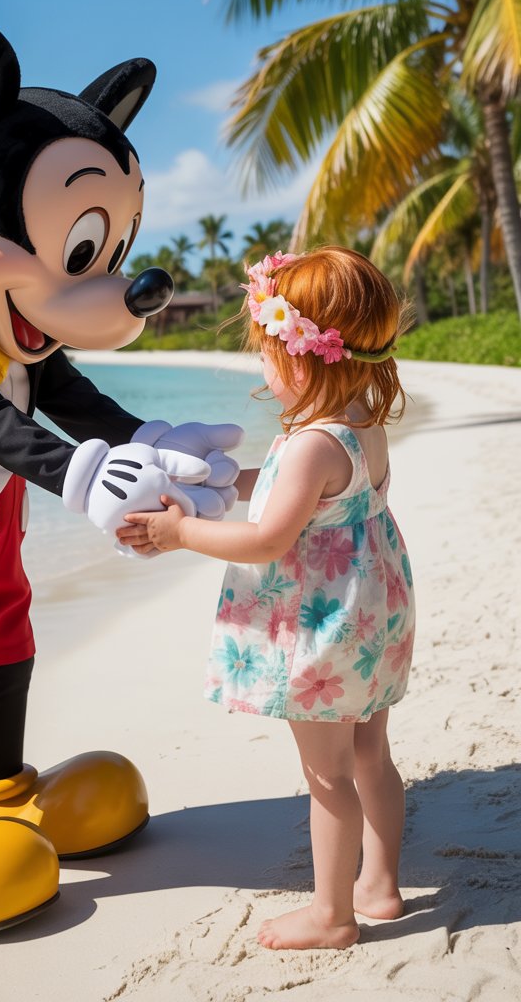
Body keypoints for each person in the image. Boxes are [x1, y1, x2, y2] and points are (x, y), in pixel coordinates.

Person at [117, 245, 416, 952]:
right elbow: (311, 496)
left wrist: (181, 530)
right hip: (371, 618)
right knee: (371, 754)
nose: (261, 367)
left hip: (323, 628)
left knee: (326, 774)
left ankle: (333, 915)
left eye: (266, 352)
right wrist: (229, 484)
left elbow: (267, 542)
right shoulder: (360, 426)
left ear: (307, 355)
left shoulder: (312, 443)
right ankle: (380, 884)